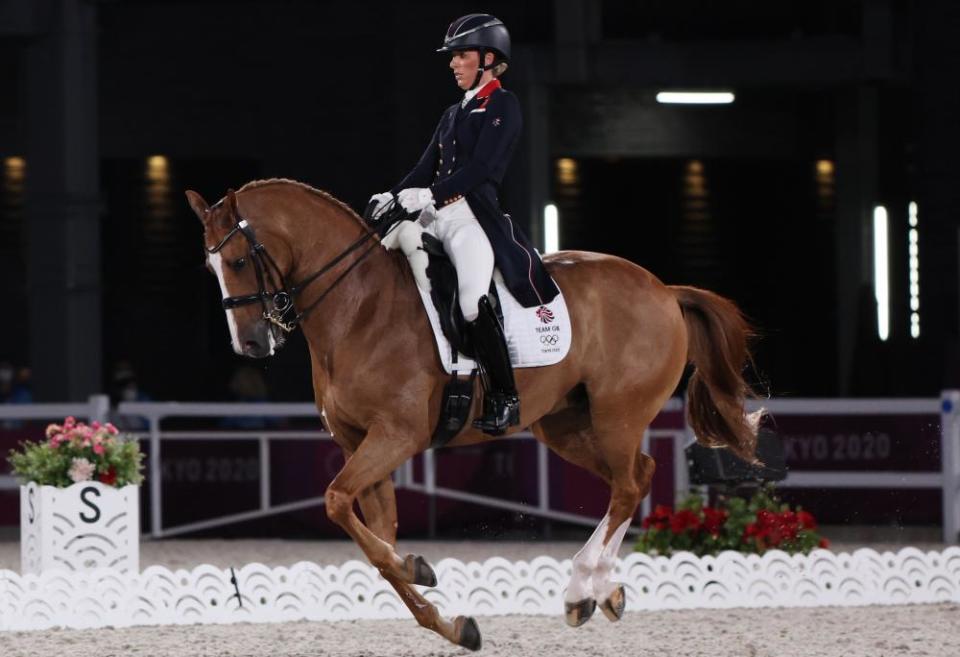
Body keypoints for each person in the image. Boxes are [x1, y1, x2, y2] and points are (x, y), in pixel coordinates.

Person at [369, 14, 559, 435]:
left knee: (472, 300)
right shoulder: (453, 113)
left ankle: (505, 396)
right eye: (452, 57)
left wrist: (433, 195)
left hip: (472, 217)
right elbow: (424, 168)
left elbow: (483, 168)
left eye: (462, 56)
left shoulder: (502, 105)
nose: (454, 64)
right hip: (434, 216)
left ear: (488, 58)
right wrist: (394, 193)